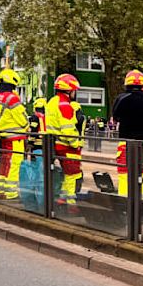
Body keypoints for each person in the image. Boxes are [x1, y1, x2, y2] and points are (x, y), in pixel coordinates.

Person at [112, 70, 143, 200]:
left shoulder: (121, 99)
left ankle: (124, 204)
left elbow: (116, 117)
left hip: (126, 143)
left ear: (127, 84)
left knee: (124, 174)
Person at [46, 74, 83, 210]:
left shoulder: (52, 102)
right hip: (66, 145)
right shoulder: (65, 105)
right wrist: (76, 143)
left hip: (55, 143)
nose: (75, 93)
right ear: (69, 90)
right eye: (74, 90)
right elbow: (68, 128)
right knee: (72, 174)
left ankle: (62, 199)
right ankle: (71, 205)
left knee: (67, 174)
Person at [0, 70, 29, 200]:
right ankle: (11, 193)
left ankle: (1, 190)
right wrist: (27, 126)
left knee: (5, 163)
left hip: (4, 135)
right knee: (15, 164)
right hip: (16, 136)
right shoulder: (11, 98)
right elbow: (21, 116)